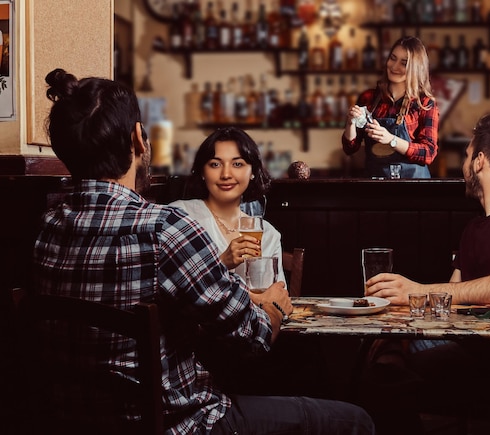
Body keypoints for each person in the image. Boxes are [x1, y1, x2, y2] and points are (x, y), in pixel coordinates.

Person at [32, 68, 376, 435]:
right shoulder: (167, 227)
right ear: (138, 139)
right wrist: (276, 302)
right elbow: (253, 336)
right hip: (181, 424)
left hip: (73, 423)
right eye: (216, 163)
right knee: (354, 421)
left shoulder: (48, 228)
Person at [360, 113, 490, 433]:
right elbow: (447, 306)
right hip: (474, 348)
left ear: (480, 161)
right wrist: (396, 318)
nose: (465, 164)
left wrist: (417, 291)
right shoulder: (474, 228)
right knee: (378, 353)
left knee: (385, 379)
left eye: (468, 156)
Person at [169, 127, 286, 288]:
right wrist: (221, 262)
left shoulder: (268, 234)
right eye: (215, 164)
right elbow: (170, 287)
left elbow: (278, 299)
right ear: (203, 171)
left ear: (253, 171)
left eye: (237, 164)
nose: (226, 174)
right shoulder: (179, 215)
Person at [342, 35, 439, 179]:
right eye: (393, 58)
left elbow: (429, 153)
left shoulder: (424, 103)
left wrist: (391, 140)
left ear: (416, 68)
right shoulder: (369, 98)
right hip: (376, 188)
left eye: (403, 63)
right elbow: (350, 148)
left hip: (414, 190)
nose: (394, 67)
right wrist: (350, 123)